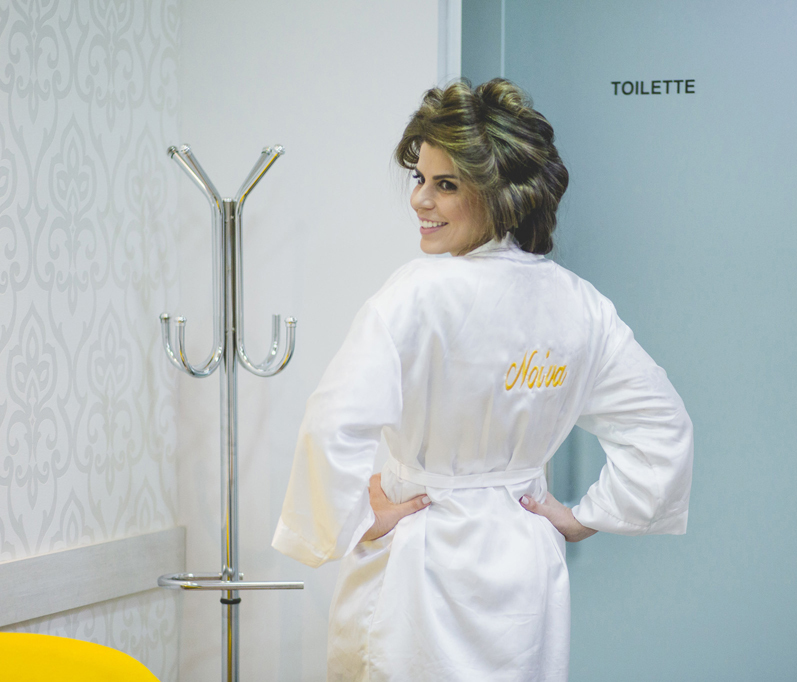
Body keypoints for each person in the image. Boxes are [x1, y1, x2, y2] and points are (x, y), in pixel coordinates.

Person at [272, 78, 694, 682]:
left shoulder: (416, 294)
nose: (420, 200)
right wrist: (590, 516)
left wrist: (353, 520)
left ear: (502, 193)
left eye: (446, 185)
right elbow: (662, 428)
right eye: (419, 178)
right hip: (523, 569)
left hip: (419, 563)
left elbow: (332, 421)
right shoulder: (580, 304)